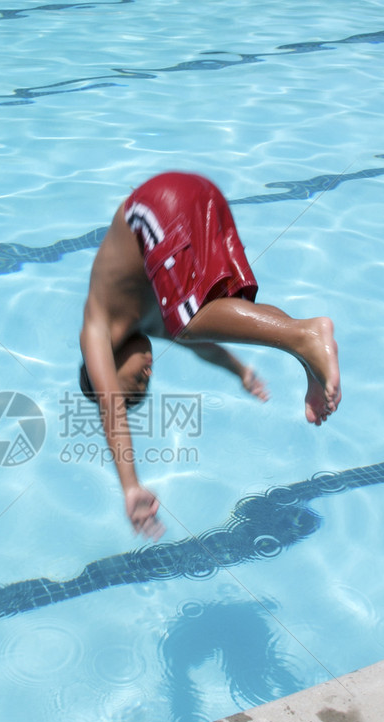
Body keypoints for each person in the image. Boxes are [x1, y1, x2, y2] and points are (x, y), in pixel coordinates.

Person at [79, 171, 341, 540]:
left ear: (102, 369)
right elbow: (206, 348)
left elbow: (110, 407)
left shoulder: (96, 326)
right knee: (217, 314)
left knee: (188, 323)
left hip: (156, 206)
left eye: (135, 380)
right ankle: (308, 358)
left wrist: (131, 486)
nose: (148, 373)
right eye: (146, 383)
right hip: (203, 199)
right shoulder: (157, 321)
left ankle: (307, 335)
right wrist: (240, 371)